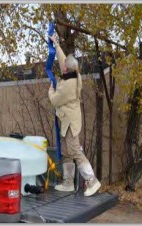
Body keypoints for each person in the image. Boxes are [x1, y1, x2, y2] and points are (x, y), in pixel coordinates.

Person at [48, 34, 101, 196]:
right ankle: (68, 183)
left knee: (75, 151)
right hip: (68, 120)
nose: (62, 65)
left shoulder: (68, 86)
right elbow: (64, 59)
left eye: (64, 65)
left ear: (66, 69)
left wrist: (51, 88)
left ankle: (92, 181)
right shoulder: (73, 72)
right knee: (66, 151)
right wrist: (56, 44)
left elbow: (55, 101)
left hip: (70, 122)